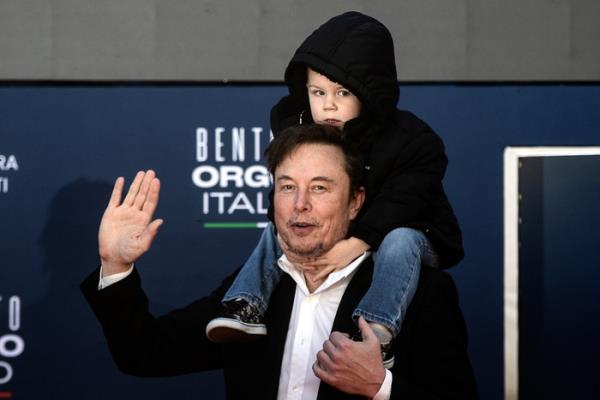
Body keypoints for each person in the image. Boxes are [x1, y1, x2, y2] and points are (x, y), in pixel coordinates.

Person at [82, 124, 477, 399]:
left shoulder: (418, 292)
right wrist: (115, 265)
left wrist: (380, 386)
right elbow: (145, 353)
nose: (300, 204)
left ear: (356, 202)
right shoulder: (251, 294)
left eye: (319, 188)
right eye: (287, 186)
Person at [207, 11, 464, 365]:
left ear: (370, 95)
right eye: (317, 92)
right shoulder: (297, 127)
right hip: (352, 227)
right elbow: (284, 194)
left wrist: (356, 244)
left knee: (399, 240)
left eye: (342, 92)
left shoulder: (412, 139)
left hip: (416, 229)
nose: (328, 104)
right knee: (279, 225)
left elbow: (403, 202)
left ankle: (376, 333)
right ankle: (246, 304)